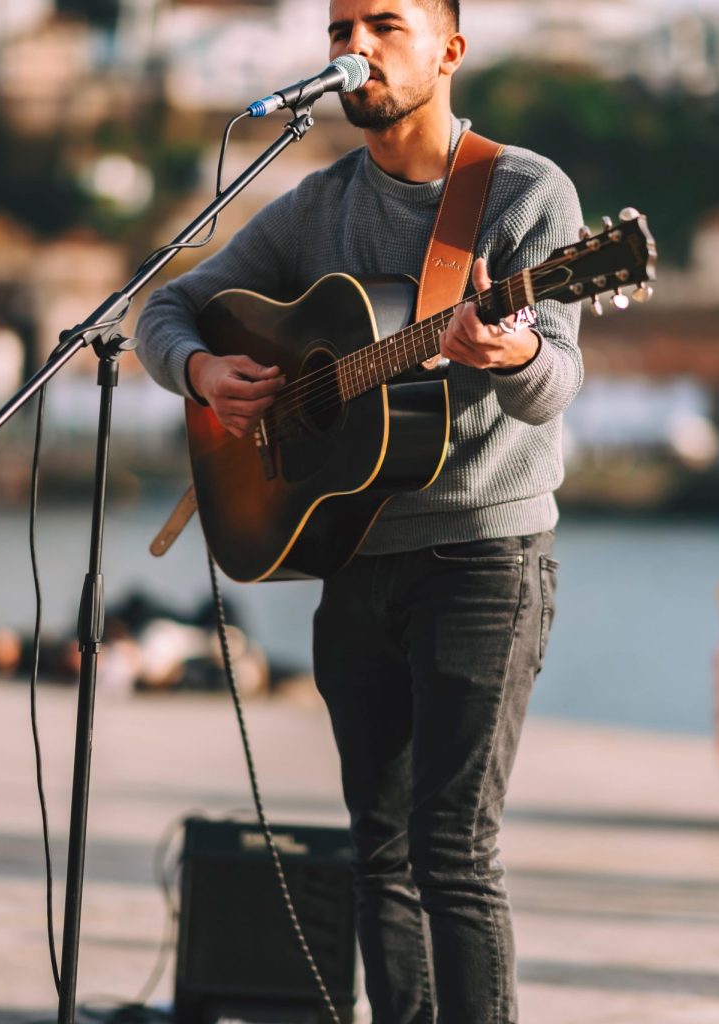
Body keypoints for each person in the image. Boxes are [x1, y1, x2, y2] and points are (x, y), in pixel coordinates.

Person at [136, 1, 583, 1020]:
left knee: (451, 852)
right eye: (339, 29)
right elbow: (161, 306)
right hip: (352, 552)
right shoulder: (314, 202)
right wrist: (202, 370)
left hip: (482, 559)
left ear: (449, 51)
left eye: (384, 23)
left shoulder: (522, 192)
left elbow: (555, 380)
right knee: (376, 853)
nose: (354, 48)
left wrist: (511, 352)